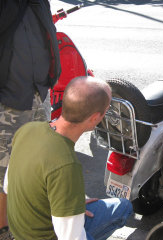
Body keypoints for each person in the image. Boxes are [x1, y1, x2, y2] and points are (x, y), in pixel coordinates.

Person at [4, 76, 133, 240]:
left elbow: (9, 187)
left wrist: (70, 206)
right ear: (95, 118)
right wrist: (71, 211)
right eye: (107, 109)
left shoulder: (28, 129)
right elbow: (71, 238)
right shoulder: (66, 165)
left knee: (122, 206)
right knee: (124, 207)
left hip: (21, 231)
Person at [0, 1, 61, 238]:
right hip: (8, 100)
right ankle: (4, 231)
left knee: (36, 167)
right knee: (4, 172)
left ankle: (32, 224)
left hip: (38, 93)